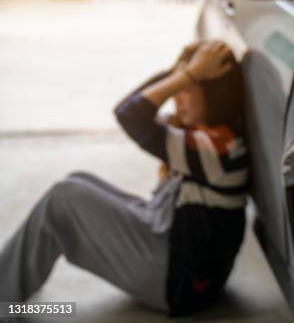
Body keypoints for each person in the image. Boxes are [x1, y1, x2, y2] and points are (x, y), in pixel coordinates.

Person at [0, 41, 249, 317]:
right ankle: (9, 286)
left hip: (182, 281)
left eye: (187, 90)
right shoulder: (206, 134)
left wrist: (186, 74)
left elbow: (130, 115)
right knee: (77, 181)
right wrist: (182, 73)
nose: (178, 97)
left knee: (63, 198)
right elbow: (131, 106)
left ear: (214, 95)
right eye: (177, 88)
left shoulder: (218, 148)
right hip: (176, 257)